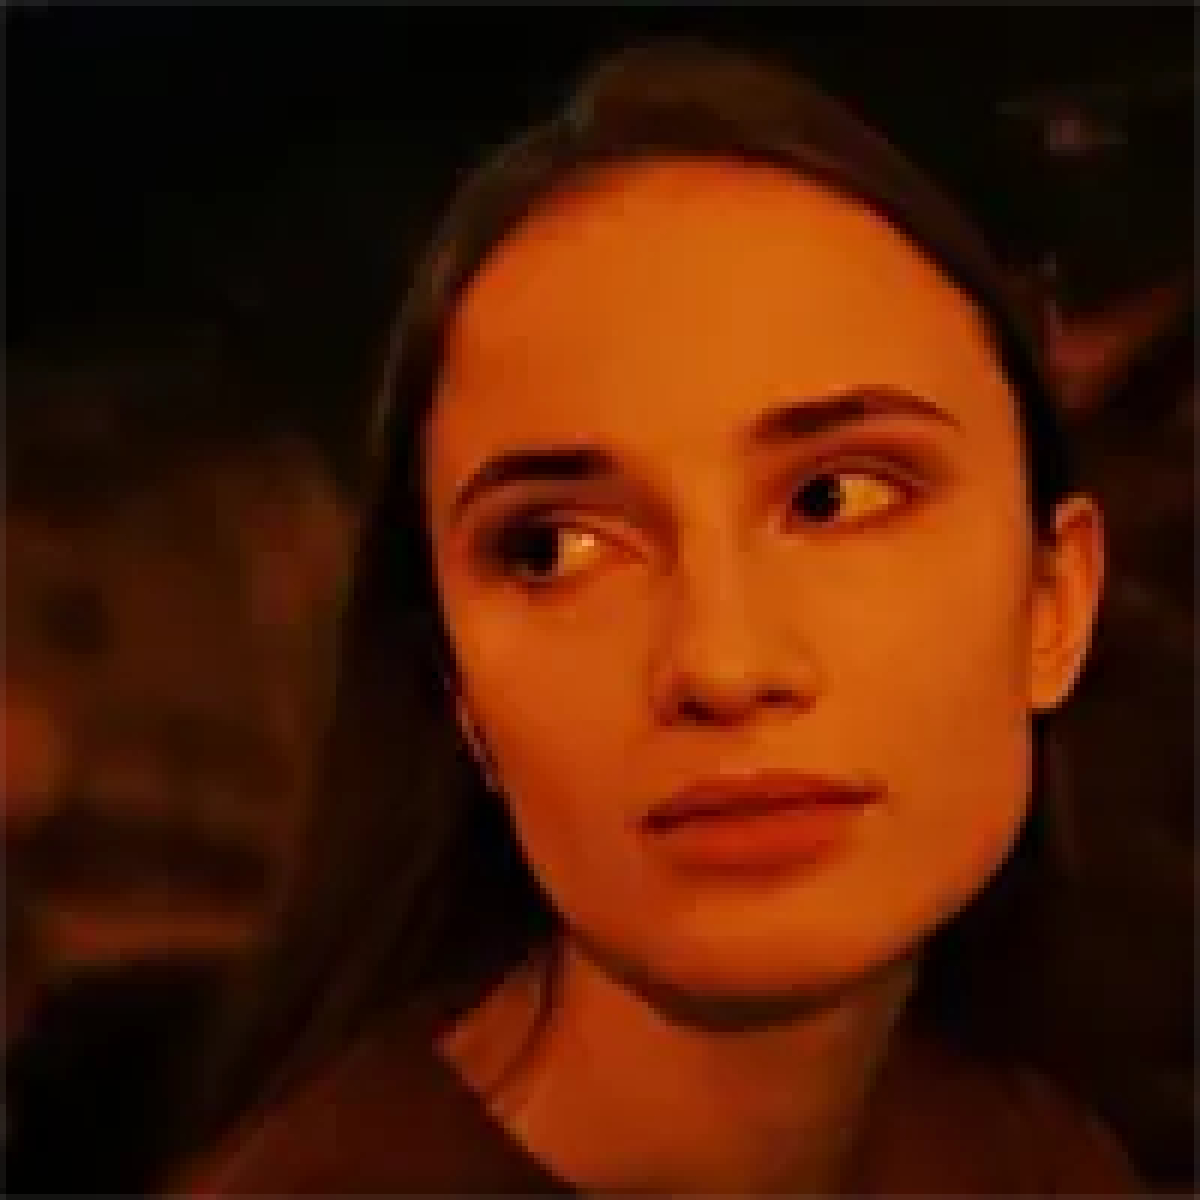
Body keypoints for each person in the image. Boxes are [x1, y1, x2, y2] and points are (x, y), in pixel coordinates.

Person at [187, 42, 1139, 1194]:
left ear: (1054, 601)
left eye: (837, 498)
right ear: (456, 687)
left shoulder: (1036, 1157)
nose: (723, 663)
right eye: (557, 549)